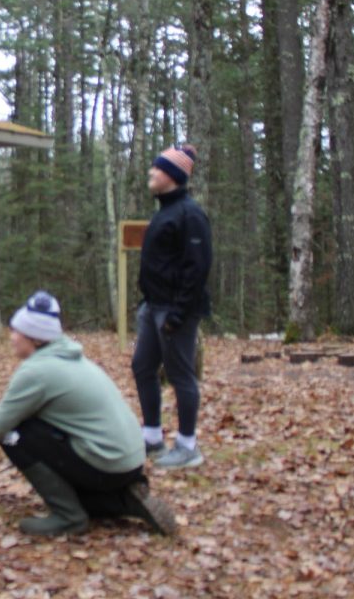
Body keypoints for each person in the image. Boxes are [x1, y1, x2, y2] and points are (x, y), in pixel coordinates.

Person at [0, 291, 177, 537]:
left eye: (17, 331)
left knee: (14, 435)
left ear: (36, 339)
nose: (12, 337)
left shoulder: (38, 371)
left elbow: (4, 424)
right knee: (24, 428)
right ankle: (125, 500)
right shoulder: (70, 359)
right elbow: (10, 414)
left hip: (106, 463)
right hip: (129, 462)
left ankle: (69, 517)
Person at [131, 144, 213, 469]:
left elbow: (198, 268)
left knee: (181, 375)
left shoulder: (191, 215)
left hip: (176, 311)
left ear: (173, 176)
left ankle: (187, 446)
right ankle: (152, 437)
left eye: (157, 168)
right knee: (142, 367)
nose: (151, 173)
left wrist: (178, 313)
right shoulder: (164, 212)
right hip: (152, 308)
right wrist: (147, 304)